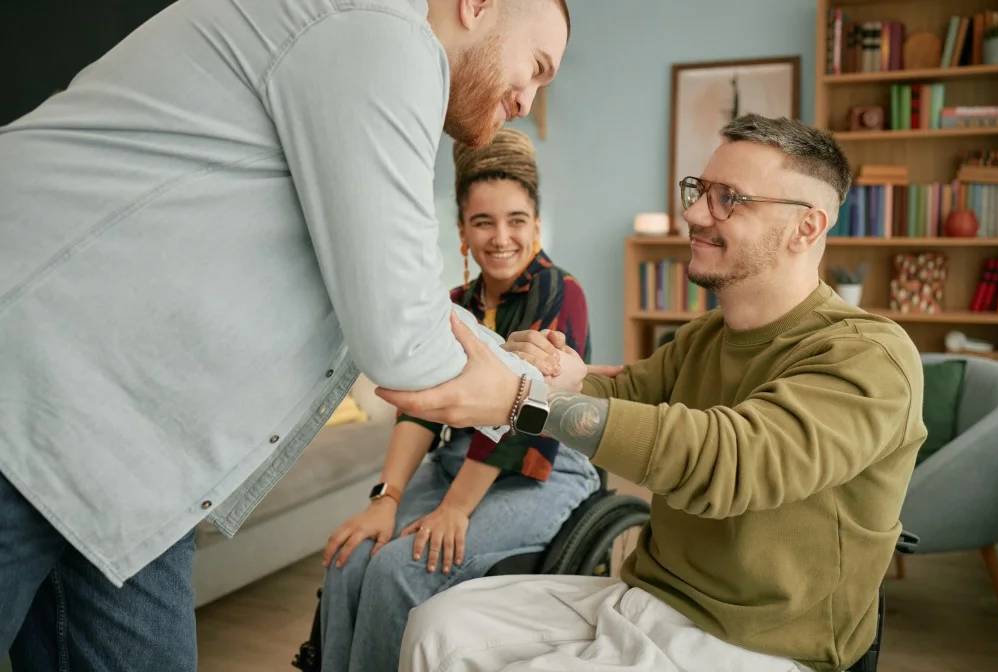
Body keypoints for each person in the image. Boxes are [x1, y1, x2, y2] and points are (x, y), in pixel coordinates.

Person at [0, 0, 571, 669]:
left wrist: (510, 362)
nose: (528, 100)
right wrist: (539, 391)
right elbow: (401, 340)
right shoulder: (378, 31)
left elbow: (398, 298)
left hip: (120, 455)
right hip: (30, 392)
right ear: (478, 4)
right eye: (535, 66)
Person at [378, 114, 929, 672]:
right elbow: (621, 395)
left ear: (806, 227)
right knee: (436, 627)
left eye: (728, 199)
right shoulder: (704, 337)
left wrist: (527, 400)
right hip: (649, 597)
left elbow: (730, 460)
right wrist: (554, 374)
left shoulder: (868, 357)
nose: (694, 213)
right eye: (699, 191)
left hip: (761, 642)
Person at [317, 127, 601, 672]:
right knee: (349, 558)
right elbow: (419, 409)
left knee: (398, 568)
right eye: (483, 222)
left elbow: (524, 416)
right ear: (462, 232)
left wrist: (455, 509)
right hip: (457, 464)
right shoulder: (453, 304)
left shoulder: (562, 294)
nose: (501, 237)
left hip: (541, 471)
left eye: (516, 220)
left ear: (537, 225)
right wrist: (386, 498)